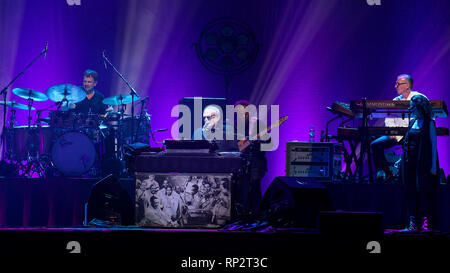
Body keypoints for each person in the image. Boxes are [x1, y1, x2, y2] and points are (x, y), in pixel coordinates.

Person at [371, 74, 427, 181]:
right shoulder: (395, 100)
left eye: (398, 83)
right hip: (396, 135)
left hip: (414, 136)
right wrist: (395, 134)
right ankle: (386, 172)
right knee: (375, 144)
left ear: (407, 85)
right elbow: (389, 119)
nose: (395, 86)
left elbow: (425, 117)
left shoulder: (420, 98)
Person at [401, 94, 438, 232]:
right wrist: (400, 160)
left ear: (420, 107)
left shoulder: (429, 123)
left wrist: (434, 165)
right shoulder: (413, 122)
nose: (411, 108)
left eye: (413, 106)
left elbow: (434, 145)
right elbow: (407, 142)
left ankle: (425, 224)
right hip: (409, 163)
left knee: (423, 192)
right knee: (411, 192)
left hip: (423, 163)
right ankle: (413, 223)